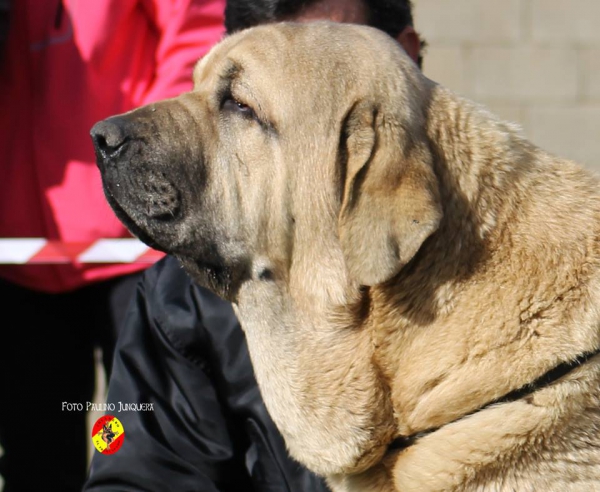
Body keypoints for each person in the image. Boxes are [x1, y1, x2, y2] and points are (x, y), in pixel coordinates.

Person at [83, 0, 424, 490]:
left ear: (405, 54)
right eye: (239, 98)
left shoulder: (516, 272)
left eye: (325, 59)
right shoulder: (180, 300)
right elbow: (136, 471)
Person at [0, 1, 225, 491]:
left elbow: (194, 33)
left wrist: (144, 161)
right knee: (35, 459)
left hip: (134, 246)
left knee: (134, 441)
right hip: (17, 251)